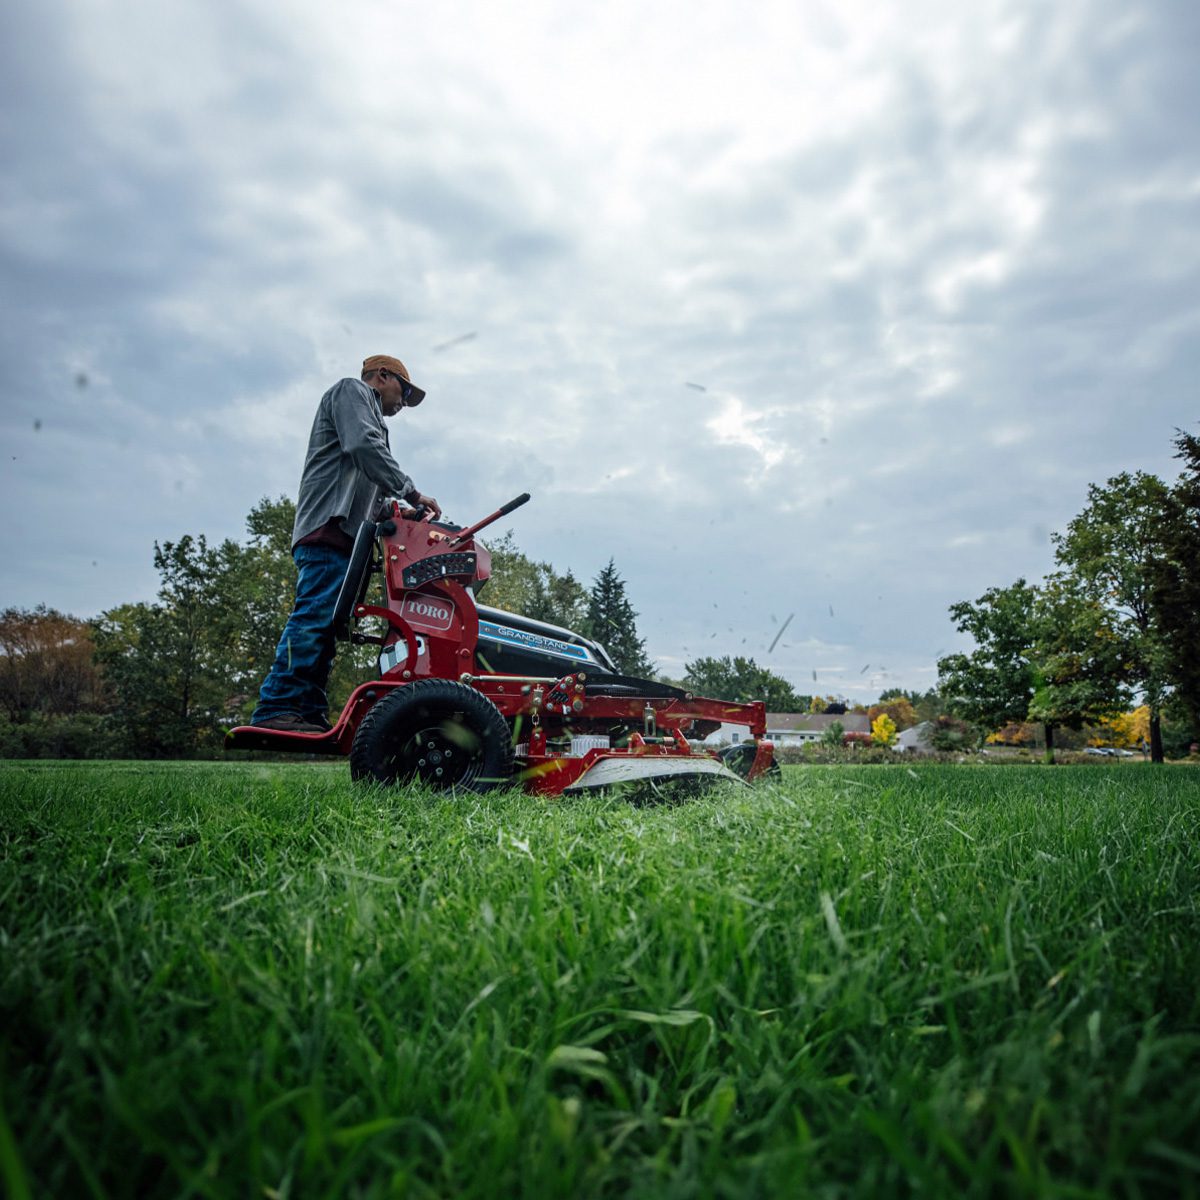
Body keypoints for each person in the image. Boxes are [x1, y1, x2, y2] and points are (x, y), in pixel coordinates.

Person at [251, 355, 441, 733]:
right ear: (382, 376)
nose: (404, 403)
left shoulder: (369, 420)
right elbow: (363, 446)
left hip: (347, 540)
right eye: (404, 392)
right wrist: (411, 491)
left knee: (327, 626)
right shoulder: (351, 392)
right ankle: (277, 706)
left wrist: (402, 512)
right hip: (328, 529)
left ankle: (307, 712)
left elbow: (369, 496)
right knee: (313, 616)